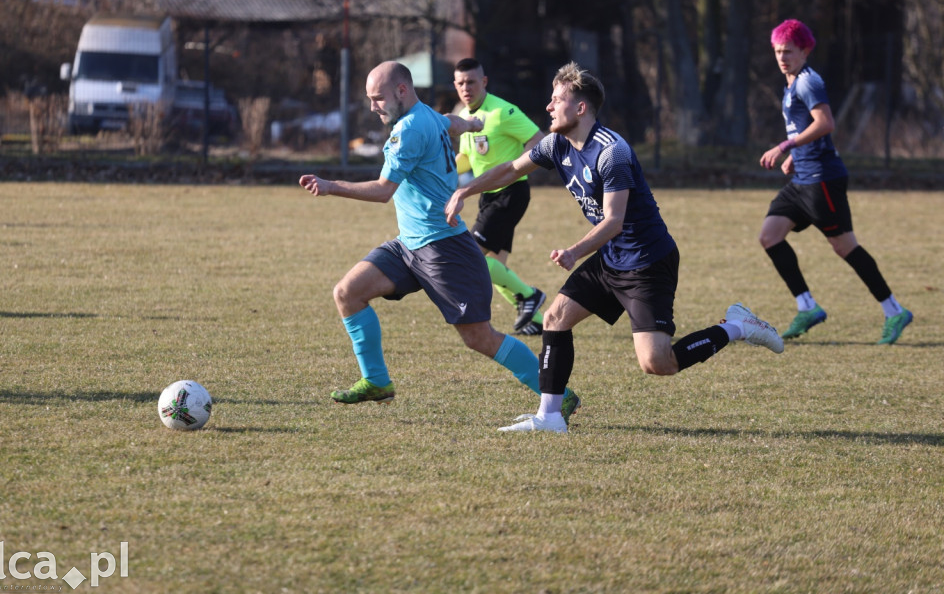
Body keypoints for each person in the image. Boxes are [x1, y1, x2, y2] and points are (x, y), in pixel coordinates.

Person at [445, 61, 784, 433]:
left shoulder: (612, 152)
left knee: (658, 363)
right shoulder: (557, 143)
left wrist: (574, 251)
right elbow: (510, 169)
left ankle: (737, 326)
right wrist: (465, 189)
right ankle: (550, 417)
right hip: (611, 257)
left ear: (580, 108)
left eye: (556, 100)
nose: (548, 107)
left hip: (646, 262)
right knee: (556, 318)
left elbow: (614, 221)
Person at [299, 61, 580, 419]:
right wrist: (473, 123)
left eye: (378, 98)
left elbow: (384, 191)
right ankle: (376, 382)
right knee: (347, 293)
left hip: (445, 249)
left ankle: (558, 393)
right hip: (409, 245)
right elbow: (455, 121)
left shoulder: (411, 129)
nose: (373, 107)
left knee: (479, 338)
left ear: (402, 90)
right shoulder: (430, 116)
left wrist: (330, 186)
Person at [759, 19, 913, 344]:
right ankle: (808, 307)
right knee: (770, 236)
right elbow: (804, 129)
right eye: (778, 51)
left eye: (788, 51)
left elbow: (825, 123)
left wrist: (786, 147)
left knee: (844, 247)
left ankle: (894, 310)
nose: (782, 57)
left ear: (804, 50)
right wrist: (794, 157)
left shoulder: (807, 82)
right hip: (802, 177)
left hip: (822, 180)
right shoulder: (791, 82)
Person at [453, 58, 548, 336]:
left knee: (471, 257)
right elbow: (468, 159)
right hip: (488, 196)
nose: (466, 88)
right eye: (460, 83)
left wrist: (514, 168)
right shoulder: (464, 116)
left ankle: (529, 296)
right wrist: (443, 171)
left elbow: (538, 140)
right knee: (495, 267)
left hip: (511, 192)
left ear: (483, 82)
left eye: (471, 81)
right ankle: (537, 320)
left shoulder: (502, 111)